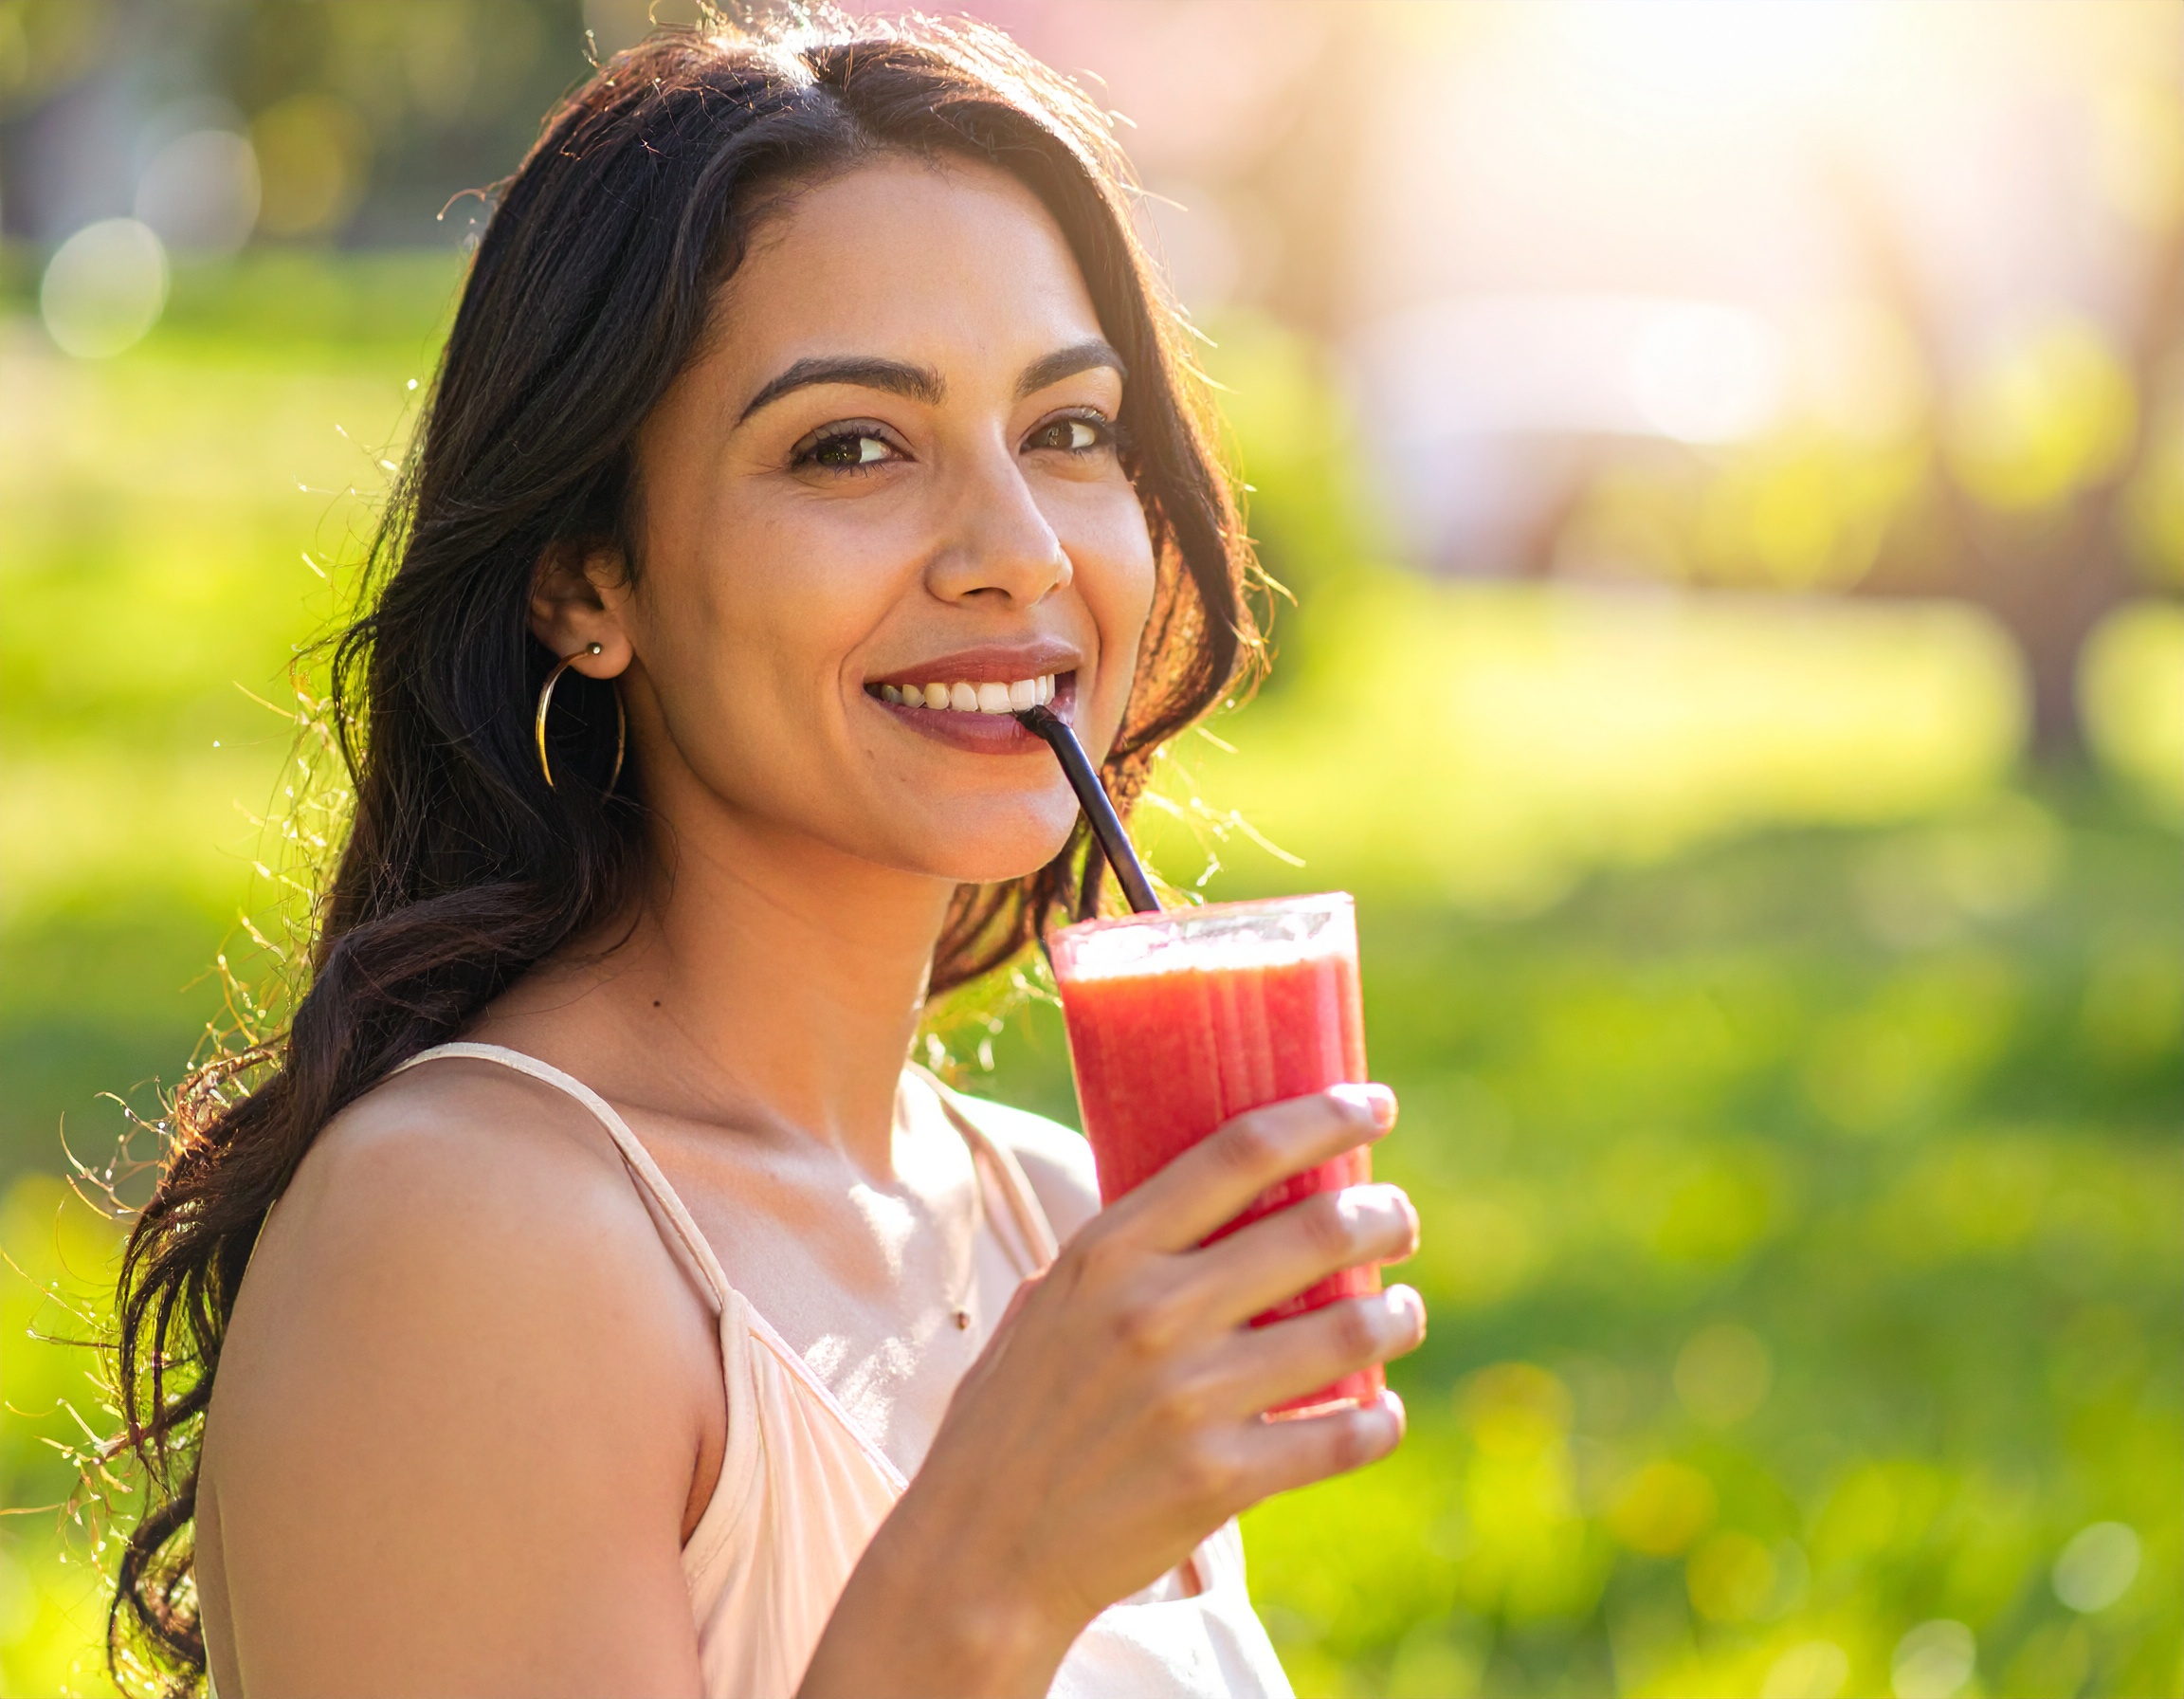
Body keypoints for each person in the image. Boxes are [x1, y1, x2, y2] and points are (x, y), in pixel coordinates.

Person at [111, 16, 1424, 1697]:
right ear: (589, 581)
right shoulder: (471, 1240)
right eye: (851, 447)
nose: (1015, 553)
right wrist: (982, 1588)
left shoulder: (1060, 1213)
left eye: (1071, 429)